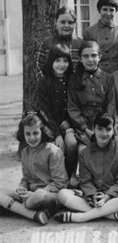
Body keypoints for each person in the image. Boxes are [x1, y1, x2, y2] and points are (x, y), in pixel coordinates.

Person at [55, 114, 118, 223]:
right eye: (100, 129)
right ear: (93, 129)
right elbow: (85, 180)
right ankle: (111, 214)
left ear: (113, 130)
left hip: (113, 196)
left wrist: (107, 196)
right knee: (62, 194)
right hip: (92, 197)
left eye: (108, 129)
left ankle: (81, 217)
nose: (104, 133)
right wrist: (93, 195)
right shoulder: (85, 153)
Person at [0, 114, 68, 225]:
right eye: (28, 134)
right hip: (29, 195)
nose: (32, 138)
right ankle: (33, 213)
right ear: (23, 134)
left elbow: (60, 183)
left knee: (39, 195)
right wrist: (22, 187)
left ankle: (16, 208)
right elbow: (26, 178)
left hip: (49, 195)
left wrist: (34, 194)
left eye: (35, 133)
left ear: (42, 132)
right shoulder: (25, 152)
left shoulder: (53, 151)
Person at [36, 44, 78, 178]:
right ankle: (55, 178)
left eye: (65, 61)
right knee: (55, 148)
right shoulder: (44, 82)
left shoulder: (71, 80)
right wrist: (56, 134)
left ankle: (71, 175)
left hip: (68, 124)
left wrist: (68, 120)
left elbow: (74, 103)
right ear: (51, 61)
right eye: (58, 60)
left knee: (71, 144)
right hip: (49, 125)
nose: (62, 64)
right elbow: (44, 110)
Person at [67, 41, 116, 149]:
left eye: (93, 55)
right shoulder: (74, 79)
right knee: (82, 150)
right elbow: (72, 107)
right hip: (83, 126)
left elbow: (111, 104)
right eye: (85, 56)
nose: (90, 60)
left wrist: (104, 125)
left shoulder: (108, 78)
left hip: (104, 124)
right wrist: (85, 128)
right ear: (80, 59)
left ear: (100, 57)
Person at [83, 0, 118, 73]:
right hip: (97, 73)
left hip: (117, 73)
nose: (108, 13)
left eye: (111, 10)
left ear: (115, 11)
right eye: (105, 9)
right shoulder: (89, 32)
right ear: (99, 10)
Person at [36, 7, 83, 80]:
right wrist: (47, 85)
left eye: (70, 22)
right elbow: (39, 68)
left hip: (75, 88)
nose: (66, 26)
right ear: (56, 22)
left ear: (75, 24)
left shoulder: (81, 44)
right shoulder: (46, 44)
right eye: (63, 22)